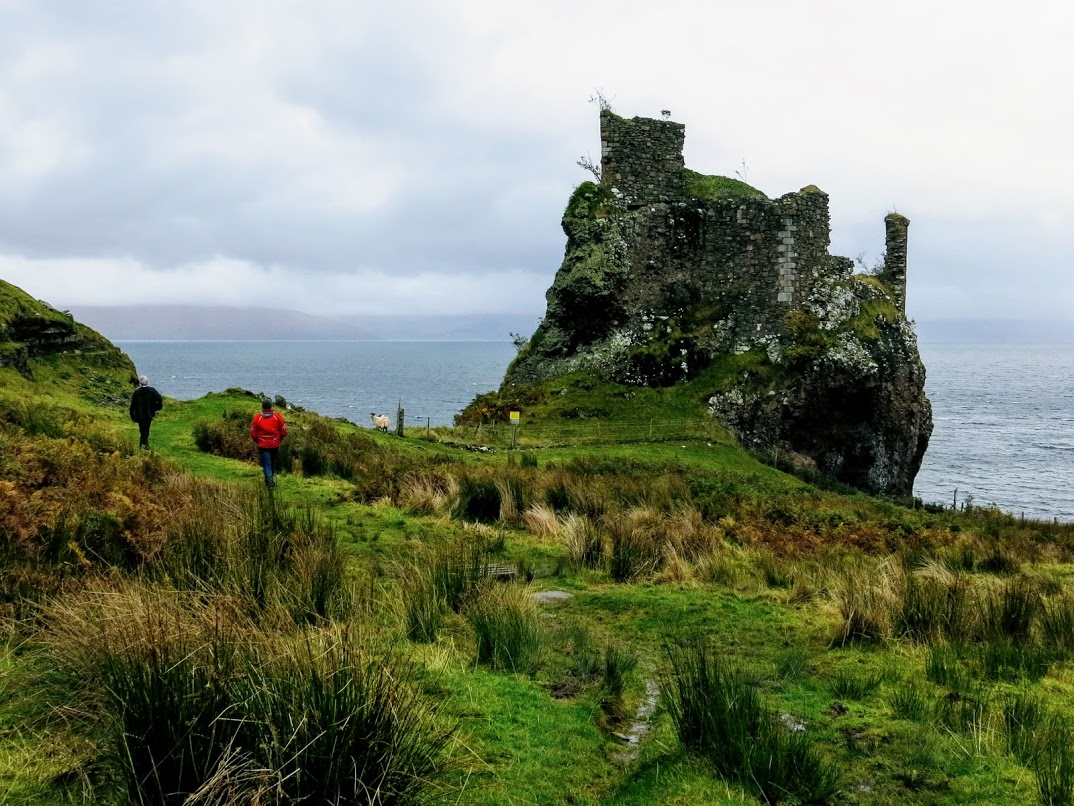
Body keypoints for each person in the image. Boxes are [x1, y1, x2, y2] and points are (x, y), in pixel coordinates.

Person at [250, 398, 287, 488]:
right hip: (274, 444)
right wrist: (279, 440)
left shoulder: (258, 418)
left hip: (262, 444)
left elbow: (252, 432)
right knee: (272, 462)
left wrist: (257, 440)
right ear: (271, 406)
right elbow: (283, 431)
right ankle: (270, 481)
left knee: (266, 463)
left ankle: (269, 481)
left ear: (262, 406)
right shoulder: (277, 417)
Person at [129, 375, 163, 449]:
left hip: (139, 414)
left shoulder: (137, 392)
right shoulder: (152, 390)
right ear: (147, 382)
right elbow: (159, 399)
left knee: (142, 429)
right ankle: (145, 445)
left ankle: (143, 445)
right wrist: (155, 407)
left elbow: (133, 405)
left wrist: (132, 416)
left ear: (140, 383)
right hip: (149, 413)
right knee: (146, 429)